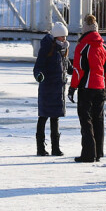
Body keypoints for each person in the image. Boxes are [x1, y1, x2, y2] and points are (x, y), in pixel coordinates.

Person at [69, 14, 106, 163]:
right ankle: (98, 152)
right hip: (100, 86)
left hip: (86, 87)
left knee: (86, 120)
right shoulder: (104, 48)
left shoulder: (82, 47)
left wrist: (72, 87)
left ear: (84, 29)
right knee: (98, 119)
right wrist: (105, 86)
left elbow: (78, 70)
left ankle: (88, 153)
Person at [33, 21, 70, 156]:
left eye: (65, 37)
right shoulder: (47, 48)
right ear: (56, 37)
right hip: (47, 89)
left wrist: (78, 69)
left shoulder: (63, 50)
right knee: (43, 117)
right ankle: (40, 148)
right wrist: (39, 75)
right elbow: (38, 67)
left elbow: (68, 66)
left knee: (55, 118)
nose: (64, 39)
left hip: (58, 90)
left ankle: (56, 148)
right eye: (62, 37)